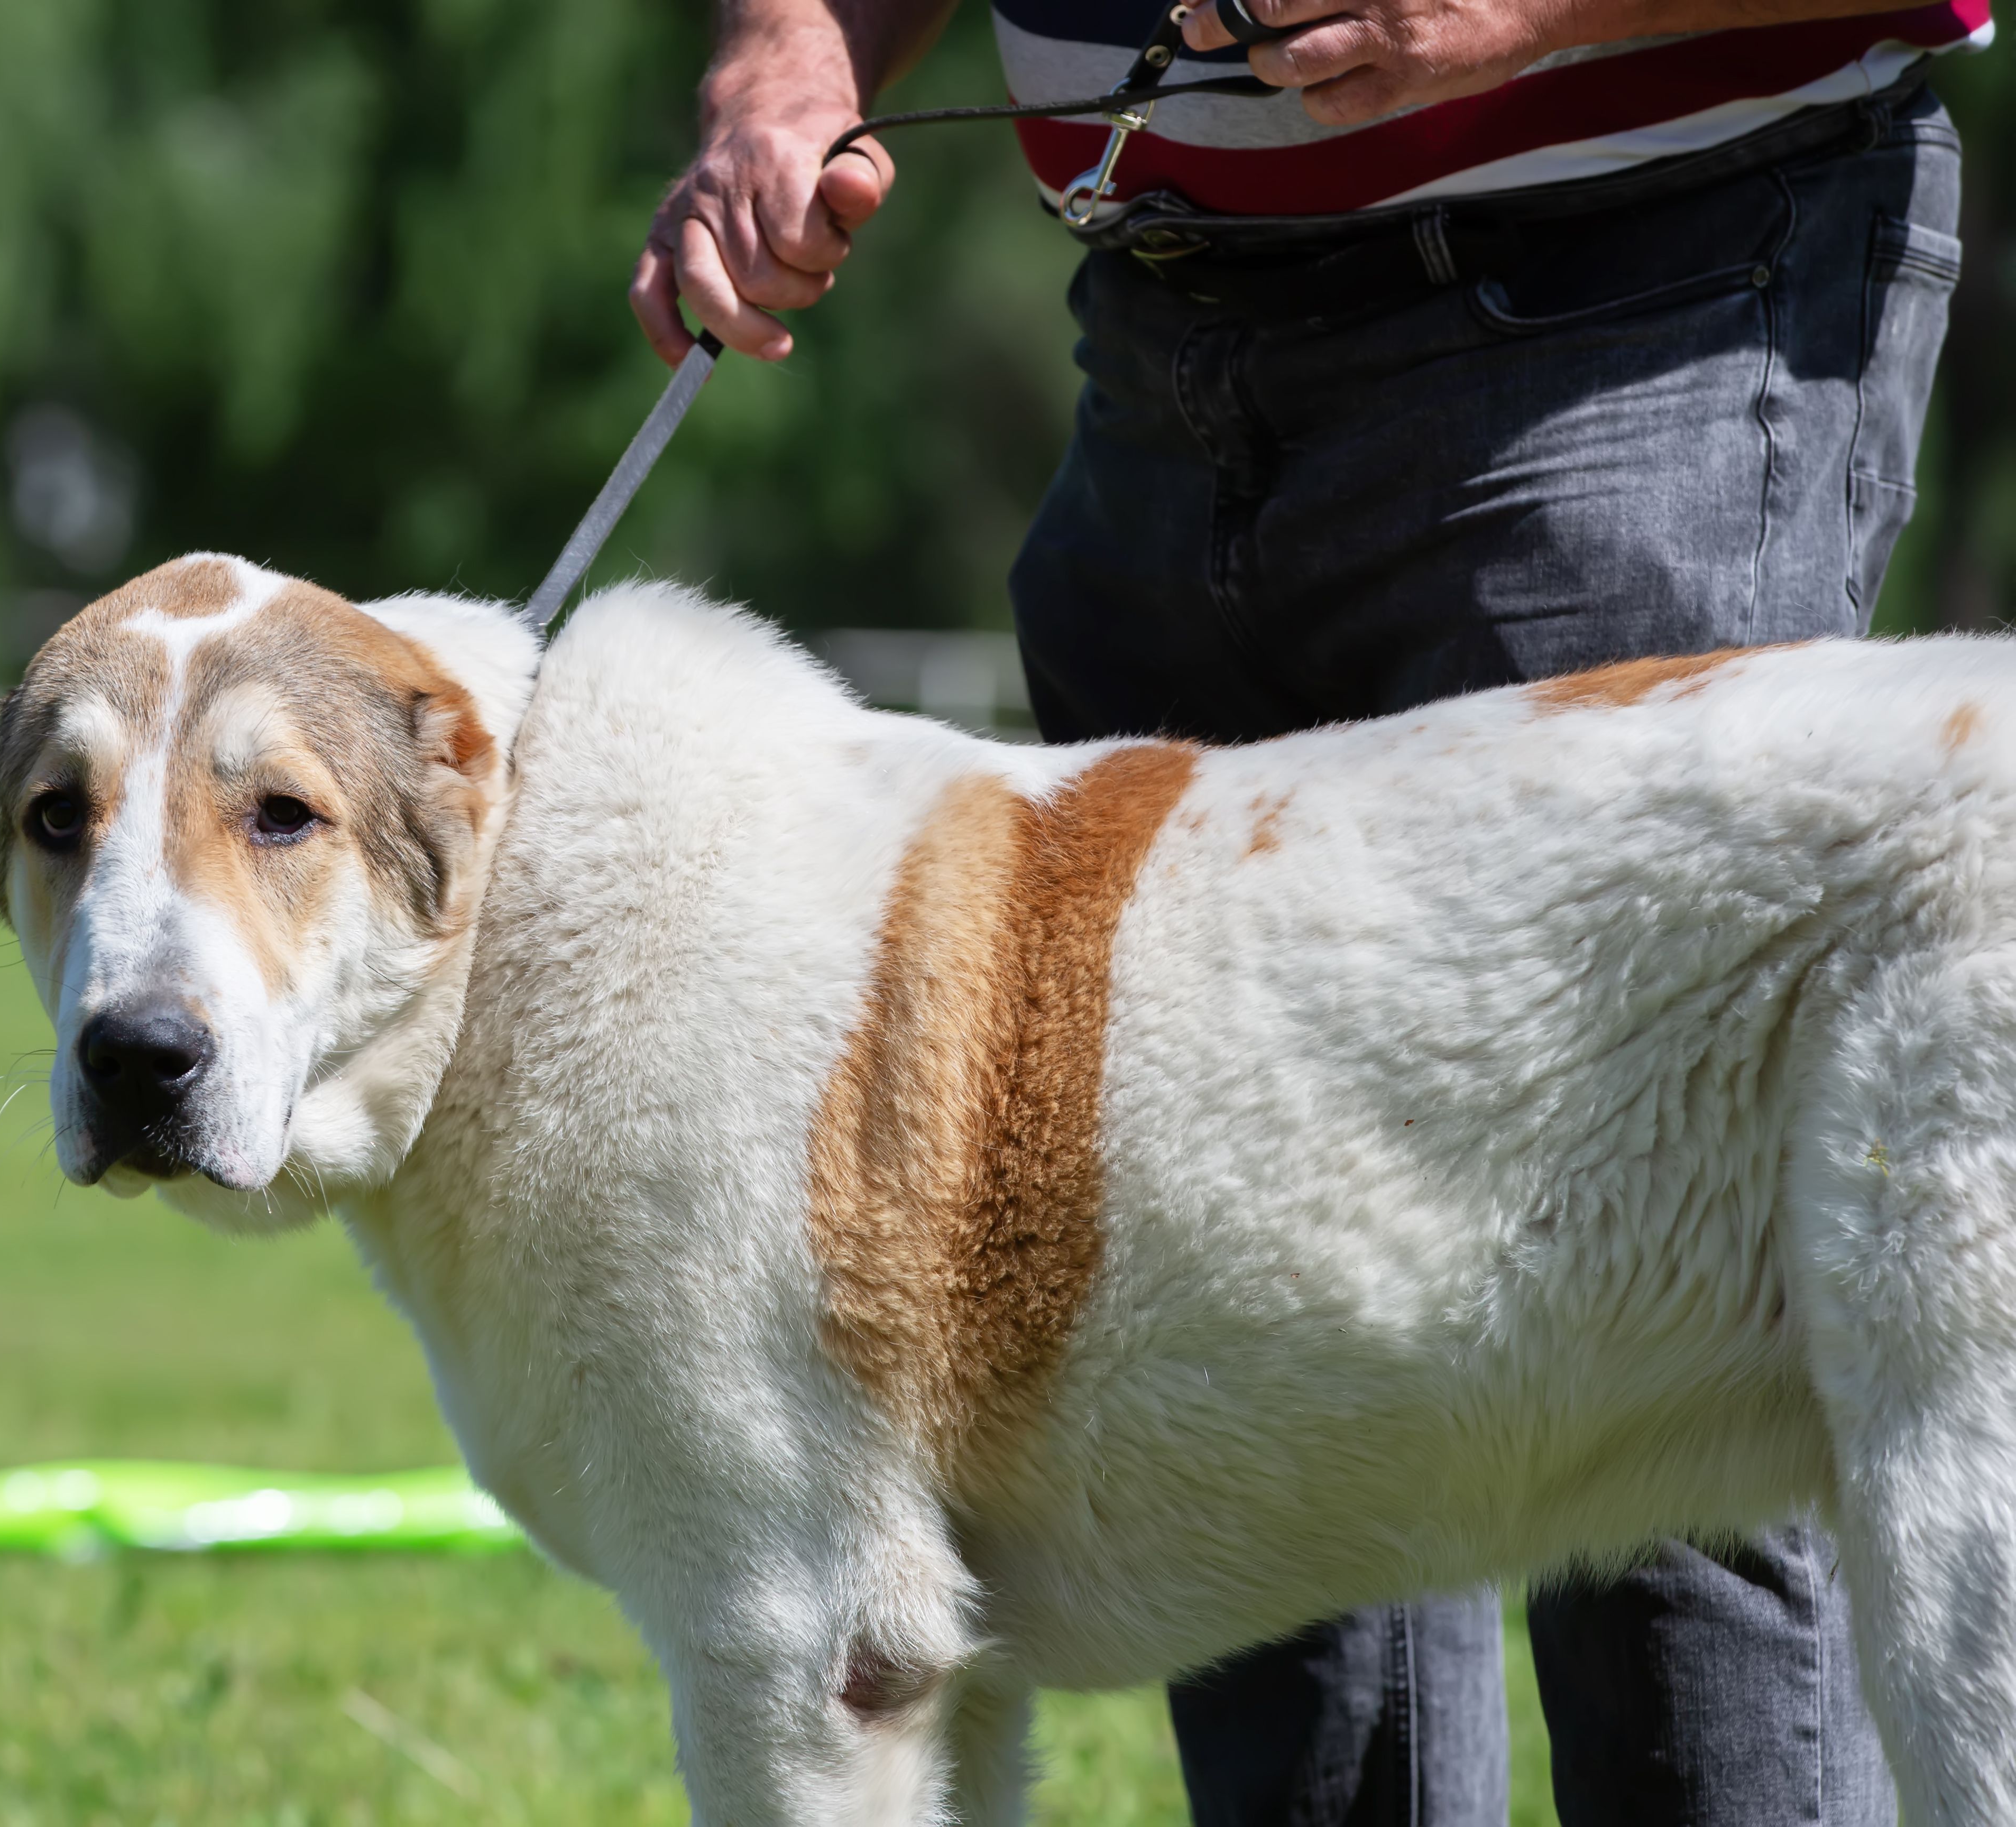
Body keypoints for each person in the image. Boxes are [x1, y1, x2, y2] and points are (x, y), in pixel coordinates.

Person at [632, 0, 1984, 1819]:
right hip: (1162, 350)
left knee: (1684, 1440)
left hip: (1635, 294)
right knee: (1215, 1354)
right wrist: (789, 61)